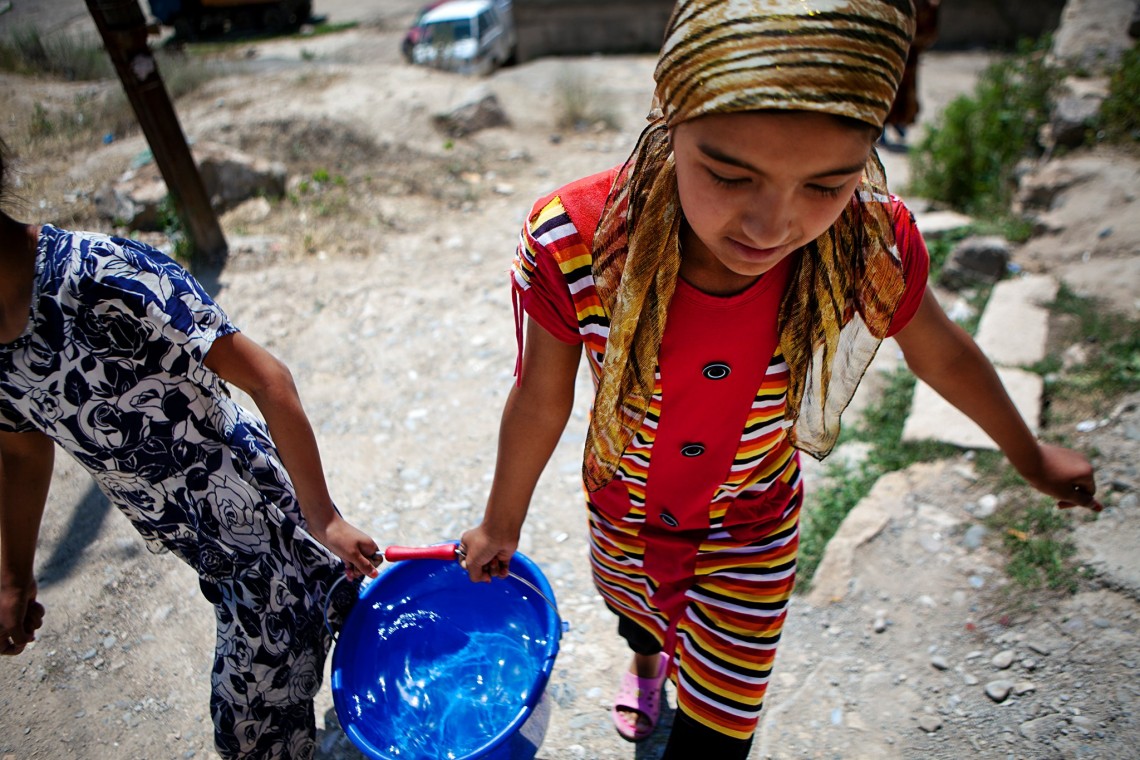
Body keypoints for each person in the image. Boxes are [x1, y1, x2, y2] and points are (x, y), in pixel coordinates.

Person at [459, 1, 1102, 758]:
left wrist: (1028, 452)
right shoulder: (576, 241)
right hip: (623, 511)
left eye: (826, 186)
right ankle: (647, 662)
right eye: (730, 175)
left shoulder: (868, 244)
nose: (771, 228)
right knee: (637, 618)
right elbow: (542, 397)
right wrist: (502, 523)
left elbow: (942, 353)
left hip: (753, 526)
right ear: (669, 111)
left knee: (716, 738)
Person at [0, 137, 380, 760]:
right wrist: (14, 579)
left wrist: (325, 518)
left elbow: (268, 378)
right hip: (206, 547)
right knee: (336, 614)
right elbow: (20, 450)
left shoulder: (100, 273)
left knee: (247, 731)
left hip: (259, 526)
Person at [883, 0, 942, 144]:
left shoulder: (925, 6)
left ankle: (898, 124)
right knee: (886, 89)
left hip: (909, 58)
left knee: (905, 94)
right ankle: (884, 127)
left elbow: (929, 33)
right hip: (891, 52)